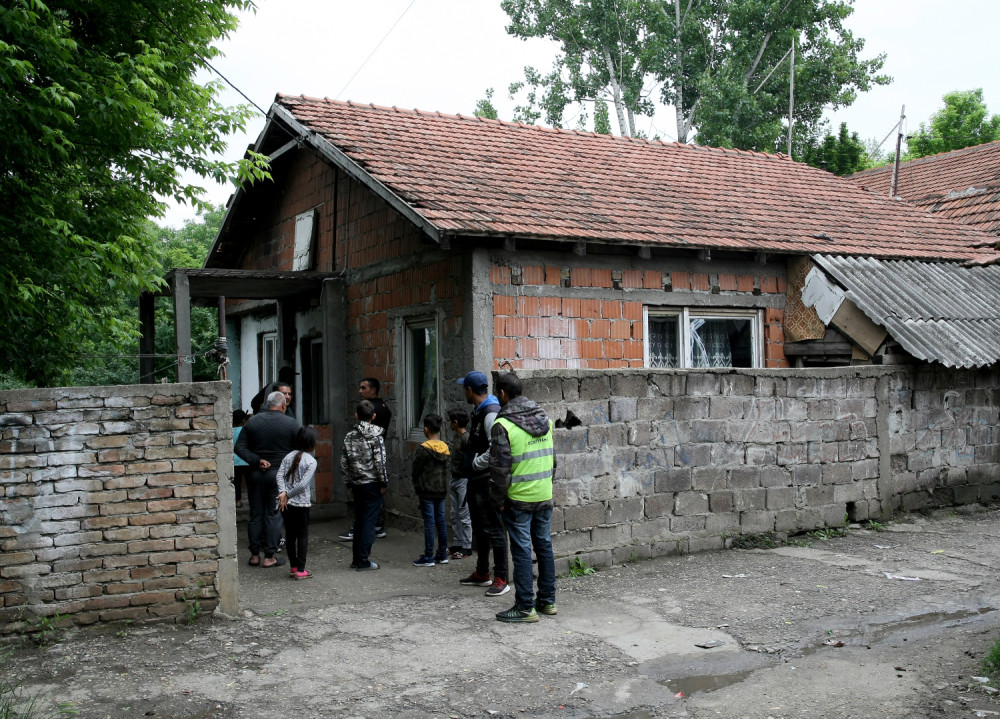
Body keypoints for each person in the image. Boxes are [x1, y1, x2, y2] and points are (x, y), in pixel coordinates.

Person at [489, 371, 557, 623]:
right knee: (544, 546)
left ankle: (525, 607)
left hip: (518, 499)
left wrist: (496, 500)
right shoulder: (545, 419)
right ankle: (548, 601)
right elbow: (553, 460)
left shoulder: (502, 425)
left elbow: (499, 470)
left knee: (521, 550)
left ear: (503, 394)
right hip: (543, 493)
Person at [456, 371, 510, 597]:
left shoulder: (490, 413)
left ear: (469, 390)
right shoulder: (481, 411)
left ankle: (501, 577)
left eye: (463, 388)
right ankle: (482, 572)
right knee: (480, 528)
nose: (463, 392)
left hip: (487, 482)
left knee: (495, 530)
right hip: (477, 483)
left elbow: (496, 449)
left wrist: (476, 463)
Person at [235, 390, 300, 568]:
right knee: (273, 514)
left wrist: (257, 460)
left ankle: (254, 555)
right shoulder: (291, 424)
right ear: (283, 405)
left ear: (266, 404)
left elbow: (239, 448)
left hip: (256, 474)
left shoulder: (253, 421)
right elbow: (299, 451)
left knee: (255, 514)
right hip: (279, 475)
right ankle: (269, 556)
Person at [338, 377, 392, 541]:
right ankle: (377, 525)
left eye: (363, 388)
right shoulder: (383, 408)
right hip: (372, 460)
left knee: (364, 500)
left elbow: (346, 461)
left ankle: (362, 529)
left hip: (364, 462)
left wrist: (349, 481)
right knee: (374, 495)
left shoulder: (371, 419)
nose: (360, 391)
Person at [340, 399, 388, 571]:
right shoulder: (376, 436)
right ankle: (363, 559)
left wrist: (348, 482)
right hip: (373, 483)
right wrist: (383, 482)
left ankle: (356, 558)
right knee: (369, 522)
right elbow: (380, 461)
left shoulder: (349, 436)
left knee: (359, 521)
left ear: (356, 415)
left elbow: (344, 462)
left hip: (357, 483)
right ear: (373, 416)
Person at [277, 425, 318, 580]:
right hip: (301, 505)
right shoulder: (311, 461)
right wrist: (287, 494)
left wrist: (283, 494)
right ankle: (301, 570)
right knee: (302, 535)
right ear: (312, 443)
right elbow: (302, 485)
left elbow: (279, 475)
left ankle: (293, 567)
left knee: (290, 535)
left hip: (286, 504)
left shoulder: (288, 456)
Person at [411, 414, 450, 567]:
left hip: (426, 490)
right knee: (441, 521)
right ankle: (442, 553)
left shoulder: (423, 449)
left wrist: (416, 485)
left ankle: (428, 556)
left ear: (425, 430)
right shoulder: (445, 448)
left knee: (429, 522)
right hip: (440, 490)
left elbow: (416, 469)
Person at [446, 408, 472, 559]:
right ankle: (458, 542)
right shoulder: (457, 437)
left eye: (450, 421)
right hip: (455, 478)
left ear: (455, 423)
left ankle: (467, 547)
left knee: (463, 514)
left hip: (463, 480)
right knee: (454, 514)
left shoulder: (466, 438)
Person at [232, 409, 250, 509]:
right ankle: (252, 500)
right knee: (250, 483)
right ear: (243, 420)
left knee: (237, 483)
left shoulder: (231, 432)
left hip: (235, 461)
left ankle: (238, 501)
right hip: (247, 461)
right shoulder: (246, 431)